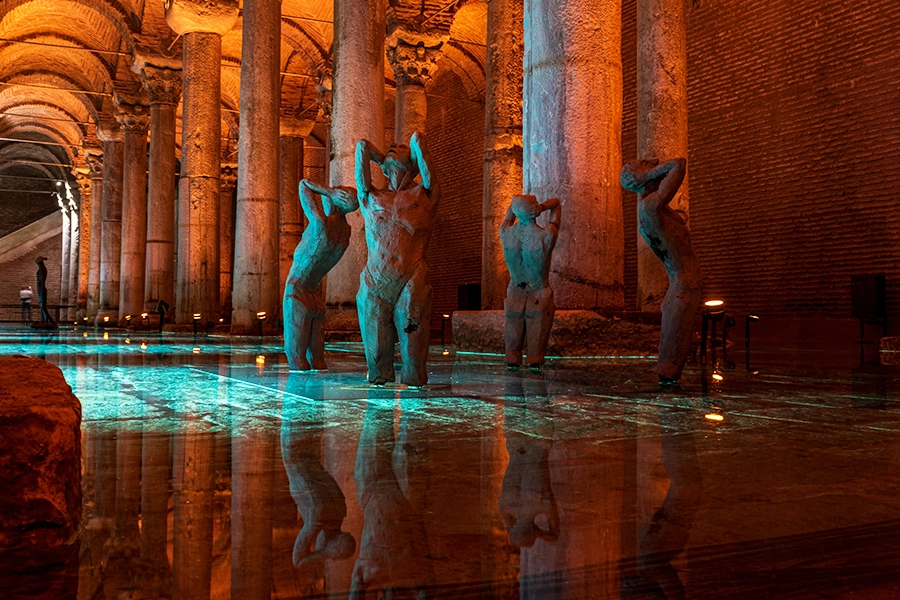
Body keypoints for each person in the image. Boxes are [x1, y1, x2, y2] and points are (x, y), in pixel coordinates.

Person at [355, 131, 440, 386]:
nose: (394, 145)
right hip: (375, 281)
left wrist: (416, 145)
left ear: (414, 164)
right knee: (377, 364)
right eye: (391, 146)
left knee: (413, 360)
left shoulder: (423, 196)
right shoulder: (372, 197)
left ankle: (414, 395)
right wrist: (379, 156)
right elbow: (361, 148)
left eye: (400, 148)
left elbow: (429, 174)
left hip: (410, 277)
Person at [620, 158, 700, 384]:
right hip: (682, 288)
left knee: (673, 355)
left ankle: (669, 392)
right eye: (645, 163)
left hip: (681, 289)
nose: (653, 161)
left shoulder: (655, 208)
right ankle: (670, 404)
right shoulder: (649, 206)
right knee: (671, 361)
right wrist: (651, 173)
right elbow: (679, 164)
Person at [283, 180, 358, 370]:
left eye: (336, 191)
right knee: (318, 362)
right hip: (316, 292)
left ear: (335, 200)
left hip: (298, 288)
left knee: (297, 360)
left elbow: (303, 185)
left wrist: (328, 191)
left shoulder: (320, 225)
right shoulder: (345, 233)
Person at [500, 194, 561, 371]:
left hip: (515, 290)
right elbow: (556, 206)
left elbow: (509, 215)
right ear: (535, 211)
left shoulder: (505, 232)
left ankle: (512, 355)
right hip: (538, 291)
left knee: (513, 322)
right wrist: (542, 207)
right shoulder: (547, 235)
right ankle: (534, 358)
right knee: (536, 337)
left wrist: (518, 207)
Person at [34, 256, 55, 325]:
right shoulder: (41, 268)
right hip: (40, 289)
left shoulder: (43, 269)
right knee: (41, 306)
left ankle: (51, 321)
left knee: (43, 307)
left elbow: (42, 281)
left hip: (41, 289)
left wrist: (41, 290)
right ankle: (44, 320)